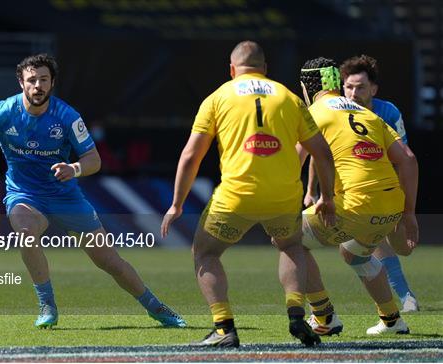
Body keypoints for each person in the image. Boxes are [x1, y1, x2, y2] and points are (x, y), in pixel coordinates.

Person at [0, 54, 186, 329]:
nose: (38, 85)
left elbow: (94, 160)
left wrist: (74, 169)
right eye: (32, 80)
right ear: (21, 82)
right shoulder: (3, 112)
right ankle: (47, 304)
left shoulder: (68, 117)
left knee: (109, 261)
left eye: (44, 80)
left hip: (65, 197)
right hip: (24, 195)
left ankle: (155, 306)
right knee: (25, 234)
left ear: (52, 83)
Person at [161, 41, 336, 348]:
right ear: (265, 69)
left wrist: (177, 203)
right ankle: (296, 314)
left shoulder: (218, 97)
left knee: (205, 253)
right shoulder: (289, 98)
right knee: (291, 247)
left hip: (236, 197)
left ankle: (223, 326)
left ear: (232, 69)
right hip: (283, 197)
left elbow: (191, 156)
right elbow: (322, 154)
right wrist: (328, 197)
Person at [298, 57, 418, 336]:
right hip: (390, 205)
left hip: (356, 203)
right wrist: (409, 213)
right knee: (354, 253)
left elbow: (299, 158)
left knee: (286, 237)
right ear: (338, 85)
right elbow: (409, 160)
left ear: (308, 86)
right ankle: (392, 319)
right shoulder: (370, 114)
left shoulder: (314, 111)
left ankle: (323, 316)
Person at [340, 55, 419, 312]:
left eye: (360, 87)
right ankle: (318, 311)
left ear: (373, 89)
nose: (353, 93)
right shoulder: (335, 112)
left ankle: (400, 301)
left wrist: (405, 210)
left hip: (385, 189)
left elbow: (402, 161)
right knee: (365, 240)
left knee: (400, 248)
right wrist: (314, 193)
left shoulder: (388, 113)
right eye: (349, 86)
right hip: (351, 193)